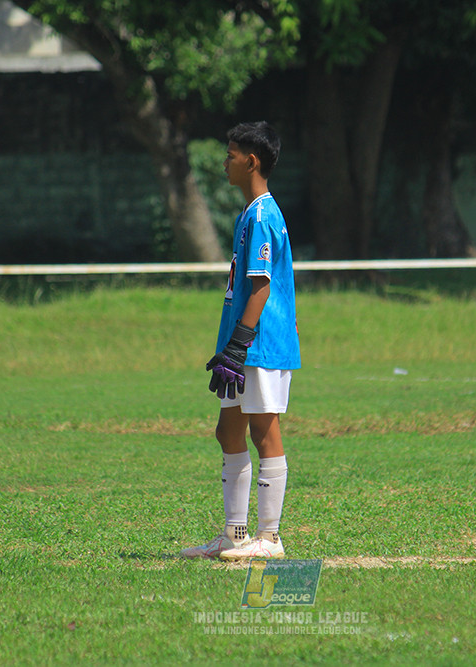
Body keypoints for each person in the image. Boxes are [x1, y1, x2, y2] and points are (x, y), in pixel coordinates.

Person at [180, 121, 300, 561]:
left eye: (230, 155)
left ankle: (270, 538)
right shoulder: (248, 214)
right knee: (227, 430)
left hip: (259, 344)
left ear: (251, 161)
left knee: (264, 430)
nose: (224, 162)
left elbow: (262, 287)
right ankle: (235, 534)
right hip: (243, 343)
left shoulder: (264, 216)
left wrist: (239, 343)